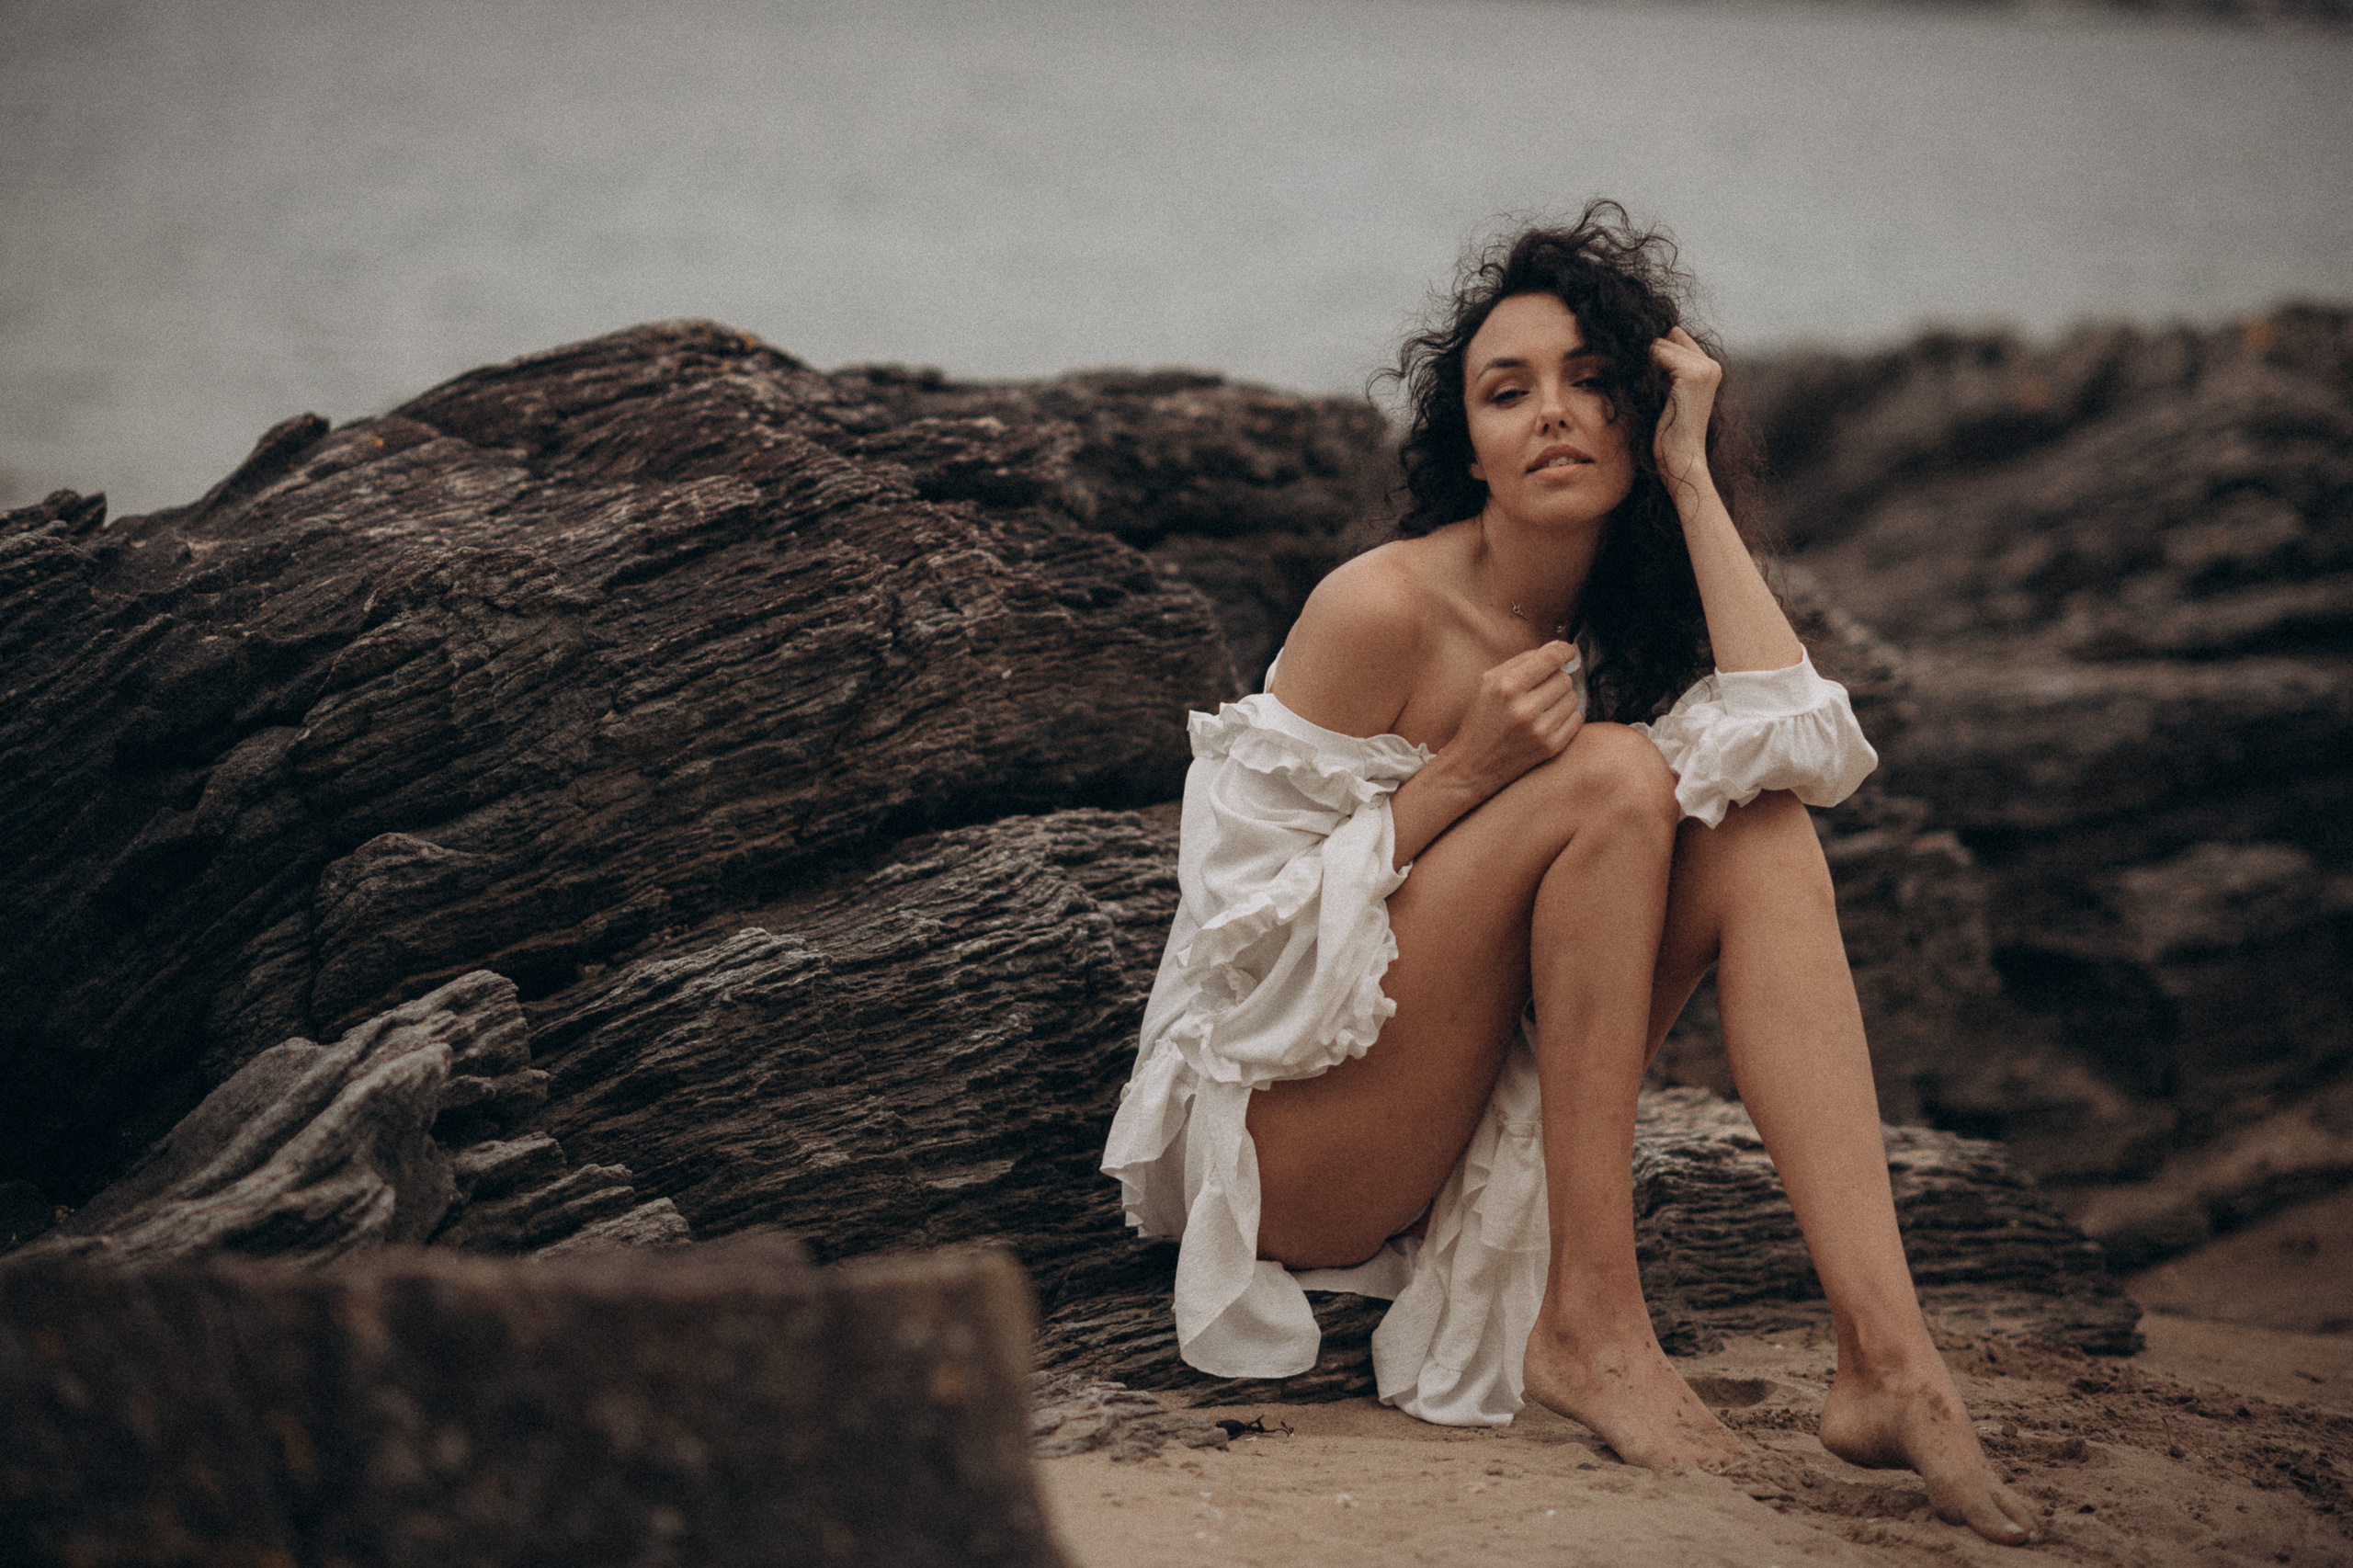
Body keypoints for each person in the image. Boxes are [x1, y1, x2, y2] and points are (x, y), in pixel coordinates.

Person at [1101, 201, 2040, 1547]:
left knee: (1759, 828)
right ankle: (1593, 1319)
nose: (1552, 413)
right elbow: (1227, 961)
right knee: (1612, 775)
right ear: (1467, 446)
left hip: (1448, 1110)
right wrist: (1460, 777)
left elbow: (1804, 744)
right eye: (1507, 391)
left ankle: (1889, 1362)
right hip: (1285, 1149)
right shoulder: (1379, 607)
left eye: (1591, 383)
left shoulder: (1618, 620)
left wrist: (1696, 476)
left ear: (1638, 417)